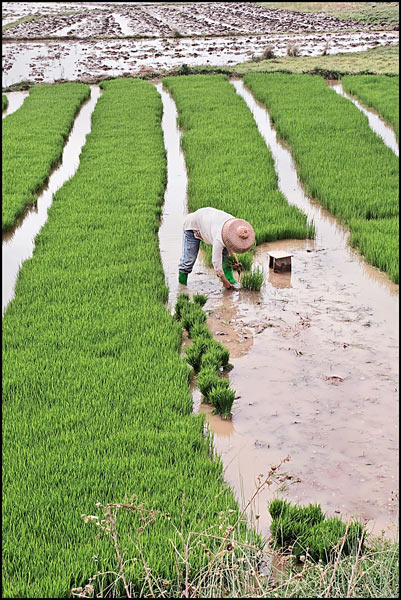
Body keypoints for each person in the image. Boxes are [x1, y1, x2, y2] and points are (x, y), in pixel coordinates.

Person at [178, 207, 255, 289]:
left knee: (226, 256)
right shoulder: (219, 238)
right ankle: (182, 286)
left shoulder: (235, 225)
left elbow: (230, 246)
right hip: (193, 225)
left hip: (208, 220)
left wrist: (235, 260)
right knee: (189, 259)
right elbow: (216, 263)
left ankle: (230, 279)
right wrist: (224, 282)